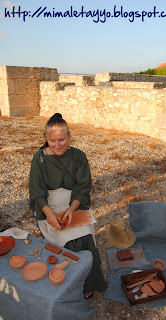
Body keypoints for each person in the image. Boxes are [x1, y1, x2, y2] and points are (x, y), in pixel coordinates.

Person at [29, 113, 107, 298]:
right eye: (52, 140)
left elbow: (82, 187)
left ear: (69, 136)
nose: (57, 145)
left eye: (62, 140)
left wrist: (72, 209)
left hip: (75, 203)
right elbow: (37, 192)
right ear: (46, 139)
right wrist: (48, 213)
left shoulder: (79, 156)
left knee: (86, 234)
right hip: (49, 206)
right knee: (67, 238)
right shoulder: (38, 159)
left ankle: (88, 282)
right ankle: (70, 280)